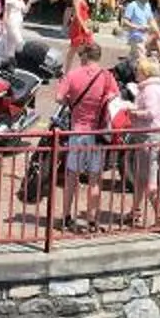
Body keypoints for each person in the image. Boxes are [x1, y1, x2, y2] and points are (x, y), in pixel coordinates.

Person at [50, 43, 120, 231]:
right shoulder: (107, 76)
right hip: (97, 133)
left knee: (72, 176)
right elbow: (115, 98)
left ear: (86, 56)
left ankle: (66, 217)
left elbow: (58, 98)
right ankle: (91, 220)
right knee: (94, 179)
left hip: (77, 132)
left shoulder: (73, 75)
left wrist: (71, 101)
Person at [129, 56, 160, 227]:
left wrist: (133, 112)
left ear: (145, 73)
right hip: (154, 134)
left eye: (138, 71)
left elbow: (151, 112)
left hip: (149, 135)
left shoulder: (149, 90)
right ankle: (135, 211)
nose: (136, 73)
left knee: (148, 179)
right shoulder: (158, 87)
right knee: (141, 176)